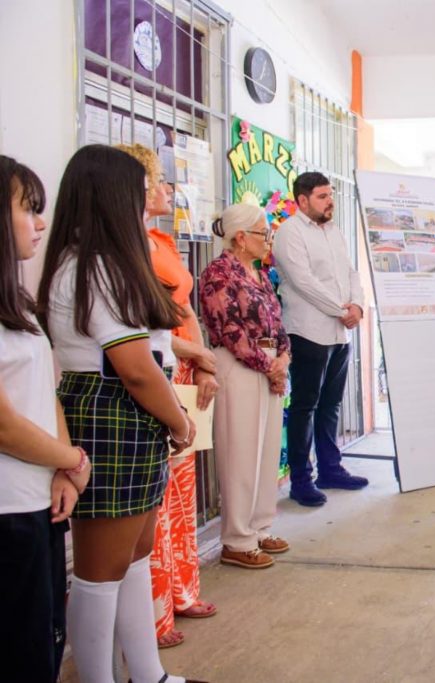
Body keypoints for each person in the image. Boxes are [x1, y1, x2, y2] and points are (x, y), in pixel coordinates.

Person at [37, 145, 201, 683]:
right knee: (99, 572)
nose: (147, 201)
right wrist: (178, 421)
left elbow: (148, 351)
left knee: (134, 555)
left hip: (128, 414)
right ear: (112, 197)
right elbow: (133, 367)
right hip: (112, 412)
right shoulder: (93, 267)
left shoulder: (99, 263)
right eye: (139, 191)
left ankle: (147, 672)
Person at [116, 143, 218, 648]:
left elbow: (186, 310)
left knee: (182, 493)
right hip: (152, 365)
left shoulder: (160, 240)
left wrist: (201, 362)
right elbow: (148, 329)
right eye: (157, 181)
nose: (166, 190)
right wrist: (192, 355)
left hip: (183, 365)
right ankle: (151, 619)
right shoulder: (121, 247)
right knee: (153, 501)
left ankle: (181, 592)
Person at [0, 156, 91, 683]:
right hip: (9, 507)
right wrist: (75, 458)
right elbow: (5, 424)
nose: (39, 223)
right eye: (28, 209)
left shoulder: (16, 299)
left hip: (41, 500)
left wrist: (64, 469)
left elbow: (44, 392)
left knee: (46, 642)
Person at [201, 204, 291, 568]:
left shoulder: (259, 274)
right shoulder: (218, 274)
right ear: (240, 238)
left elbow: (277, 321)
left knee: (267, 449)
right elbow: (231, 331)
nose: (268, 239)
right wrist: (269, 365)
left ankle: (259, 526)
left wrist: (282, 359)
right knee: (240, 452)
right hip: (239, 366)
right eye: (262, 233)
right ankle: (237, 539)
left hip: (269, 366)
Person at [273, 172, 367, 507]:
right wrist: (342, 309)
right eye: (323, 196)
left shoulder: (334, 232)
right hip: (308, 331)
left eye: (331, 195)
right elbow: (302, 281)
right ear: (302, 200)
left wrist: (357, 305)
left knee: (331, 405)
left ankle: (331, 468)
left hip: (339, 333)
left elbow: (351, 272)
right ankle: (302, 480)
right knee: (305, 406)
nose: (330, 202)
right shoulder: (289, 233)